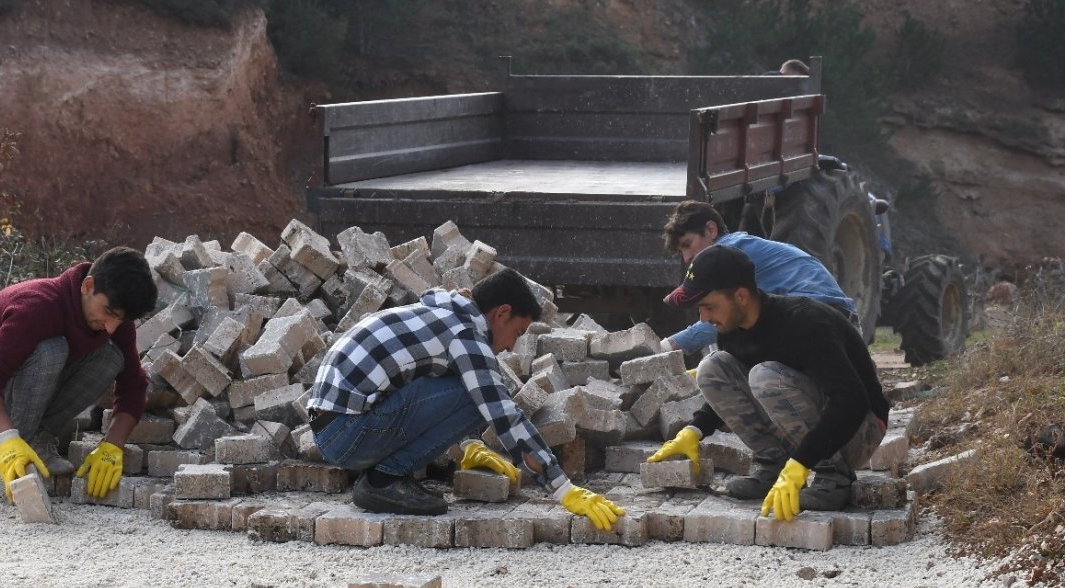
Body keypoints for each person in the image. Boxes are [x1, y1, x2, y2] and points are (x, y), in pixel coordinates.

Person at [307, 269, 624, 530]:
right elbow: (503, 413)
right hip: (348, 433)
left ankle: (385, 475)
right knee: (481, 394)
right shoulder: (465, 336)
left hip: (332, 427)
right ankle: (383, 481)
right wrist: (562, 488)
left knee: (468, 383)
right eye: (518, 332)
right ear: (502, 314)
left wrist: (469, 443)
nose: (513, 347)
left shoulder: (443, 312)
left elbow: (421, 381)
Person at [647, 245, 888, 519]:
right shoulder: (734, 330)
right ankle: (772, 464)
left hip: (862, 429)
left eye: (709, 306)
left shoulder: (806, 323)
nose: (704, 318)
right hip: (823, 424)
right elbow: (733, 387)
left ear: (741, 297)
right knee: (712, 368)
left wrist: (801, 463)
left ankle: (833, 476)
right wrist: (694, 430)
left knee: (765, 377)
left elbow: (853, 400)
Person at [0, 246, 157, 502]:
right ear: (88, 286)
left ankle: (37, 441)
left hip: (6, 391)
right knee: (51, 350)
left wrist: (112, 446)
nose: (111, 327)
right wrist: (8, 440)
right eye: (108, 313)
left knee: (110, 357)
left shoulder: (114, 318)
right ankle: (11, 461)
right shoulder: (39, 306)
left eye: (119, 320)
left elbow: (133, 385)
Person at [659, 200, 858, 354]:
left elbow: (720, 319)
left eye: (687, 244)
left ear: (711, 230)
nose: (686, 258)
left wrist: (661, 349)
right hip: (836, 321)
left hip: (825, 321)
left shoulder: (730, 253)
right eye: (680, 252)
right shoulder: (742, 247)